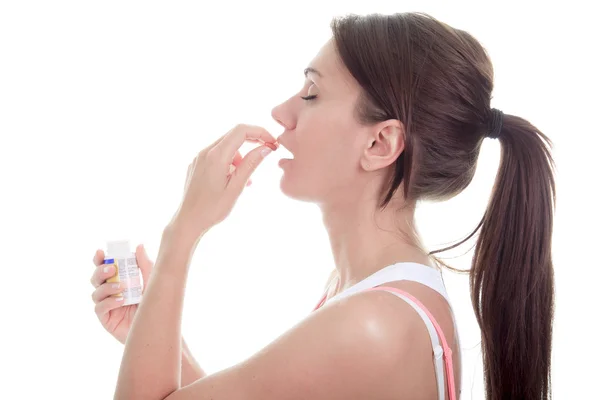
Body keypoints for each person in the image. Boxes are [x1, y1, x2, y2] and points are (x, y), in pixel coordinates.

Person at [89, 12, 555, 400]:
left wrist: (181, 236)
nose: (281, 112)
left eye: (311, 93)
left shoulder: (373, 325)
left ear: (380, 141)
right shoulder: (374, 296)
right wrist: (146, 331)